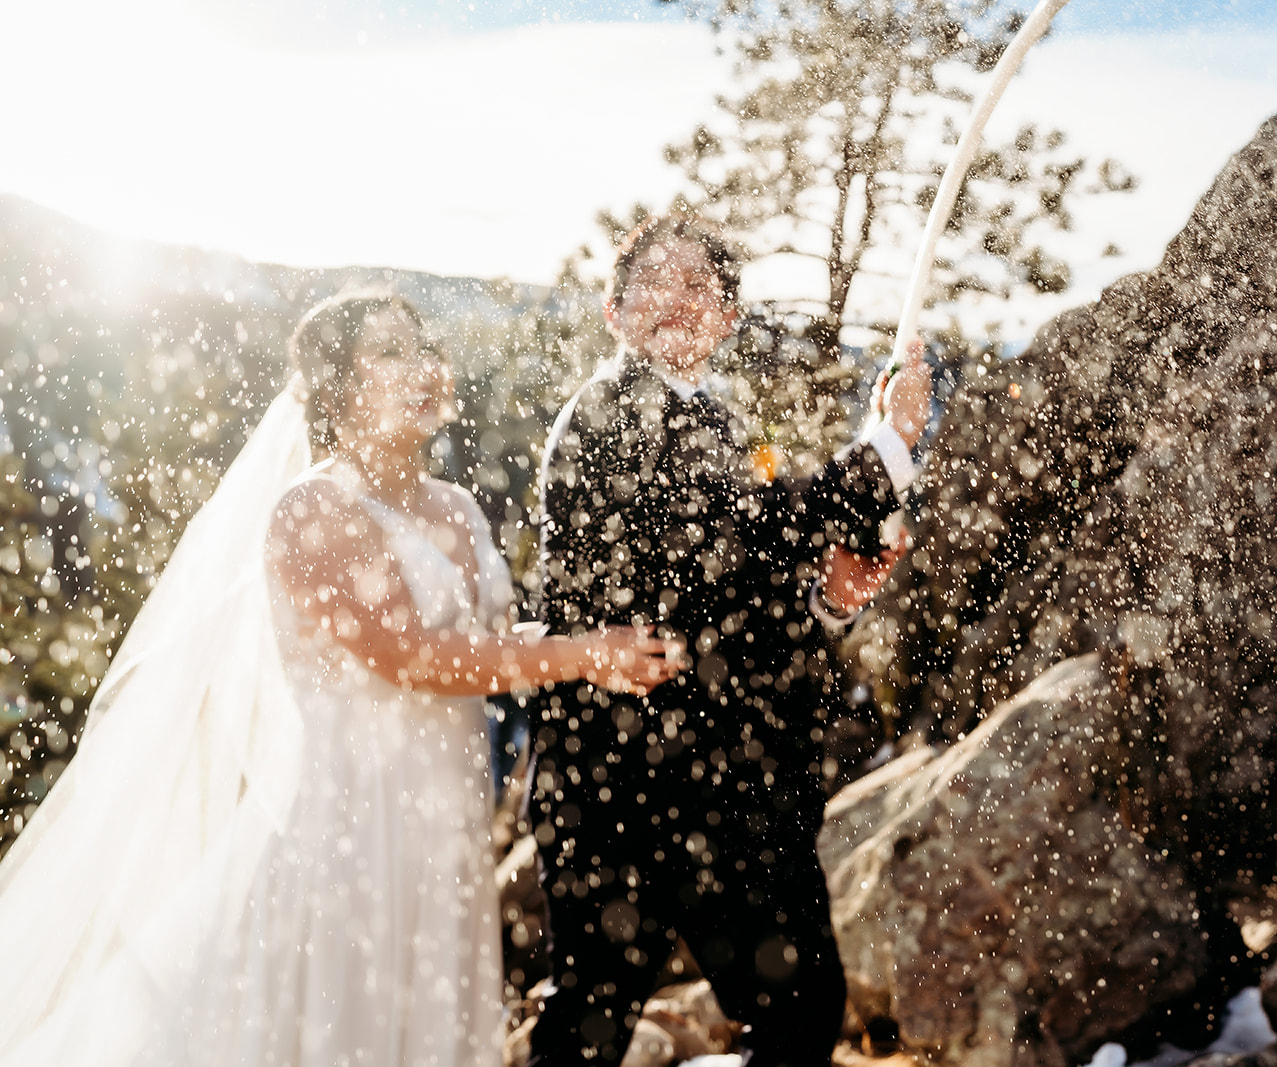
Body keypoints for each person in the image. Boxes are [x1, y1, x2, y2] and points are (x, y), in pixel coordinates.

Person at [0, 290, 682, 1066]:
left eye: (423, 346)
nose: (422, 366)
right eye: (389, 351)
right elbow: (414, 657)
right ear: (336, 388)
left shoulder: (458, 506)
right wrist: (578, 654)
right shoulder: (312, 509)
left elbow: (485, 644)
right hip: (353, 827)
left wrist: (594, 649)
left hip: (445, 823)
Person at [525, 216, 932, 1066]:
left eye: (702, 287)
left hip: (721, 786)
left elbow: (739, 583)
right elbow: (736, 540)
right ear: (613, 309)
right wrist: (886, 444)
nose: (680, 300)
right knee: (596, 1025)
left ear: (728, 319)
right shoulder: (609, 412)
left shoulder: (715, 418)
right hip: (622, 783)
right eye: (658, 282)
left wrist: (830, 597)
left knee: (798, 1008)